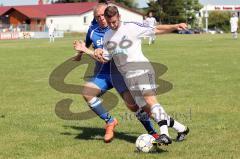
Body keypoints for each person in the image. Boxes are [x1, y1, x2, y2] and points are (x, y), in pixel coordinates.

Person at [95, 6, 189, 145]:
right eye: (110, 23)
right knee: (147, 109)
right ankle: (181, 129)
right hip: (128, 77)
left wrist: (175, 26)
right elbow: (105, 59)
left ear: (119, 17)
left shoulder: (131, 27)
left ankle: (164, 134)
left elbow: (155, 29)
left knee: (151, 101)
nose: (112, 25)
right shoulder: (107, 36)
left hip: (142, 70)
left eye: (114, 21)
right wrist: (92, 51)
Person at [73, 3, 158, 143]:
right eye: (97, 16)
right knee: (87, 92)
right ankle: (110, 121)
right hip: (104, 74)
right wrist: (79, 54)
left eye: (102, 15)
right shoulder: (92, 31)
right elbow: (86, 45)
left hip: (121, 74)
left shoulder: (118, 29)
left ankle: (155, 131)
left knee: (135, 106)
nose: (101, 18)